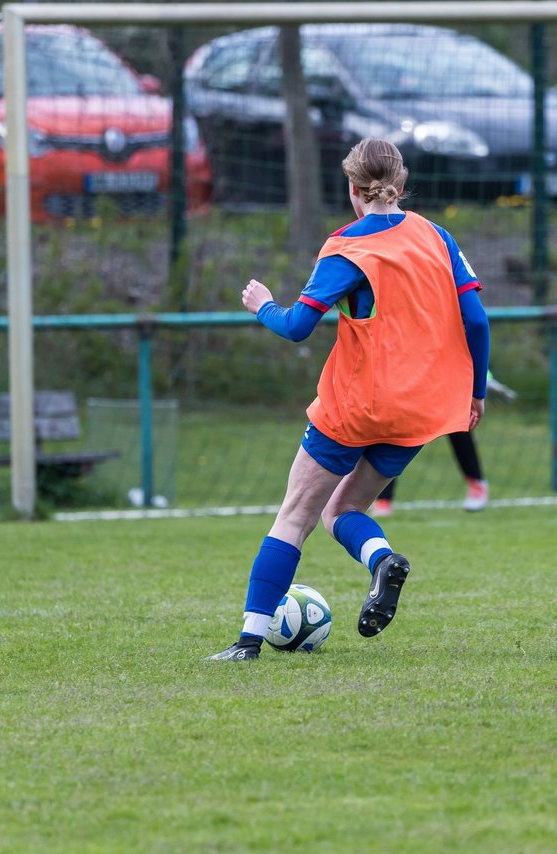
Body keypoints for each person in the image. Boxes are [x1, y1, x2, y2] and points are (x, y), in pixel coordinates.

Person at [207, 138, 490, 661]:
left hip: (356, 406)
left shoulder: (347, 247)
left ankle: (247, 641)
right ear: (400, 187)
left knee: (296, 515)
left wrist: (263, 305)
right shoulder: (437, 236)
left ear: (354, 190)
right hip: (422, 409)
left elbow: (296, 327)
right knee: (346, 509)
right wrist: (475, 392)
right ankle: (382, 560)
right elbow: (476, 318)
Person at [372, 372, 515, 516]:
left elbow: (469, 349)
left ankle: (477, 483)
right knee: (395, 426)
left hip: (443, 376)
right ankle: (383, 499)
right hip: (407, 376)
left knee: (457, 424)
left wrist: (482, 379)